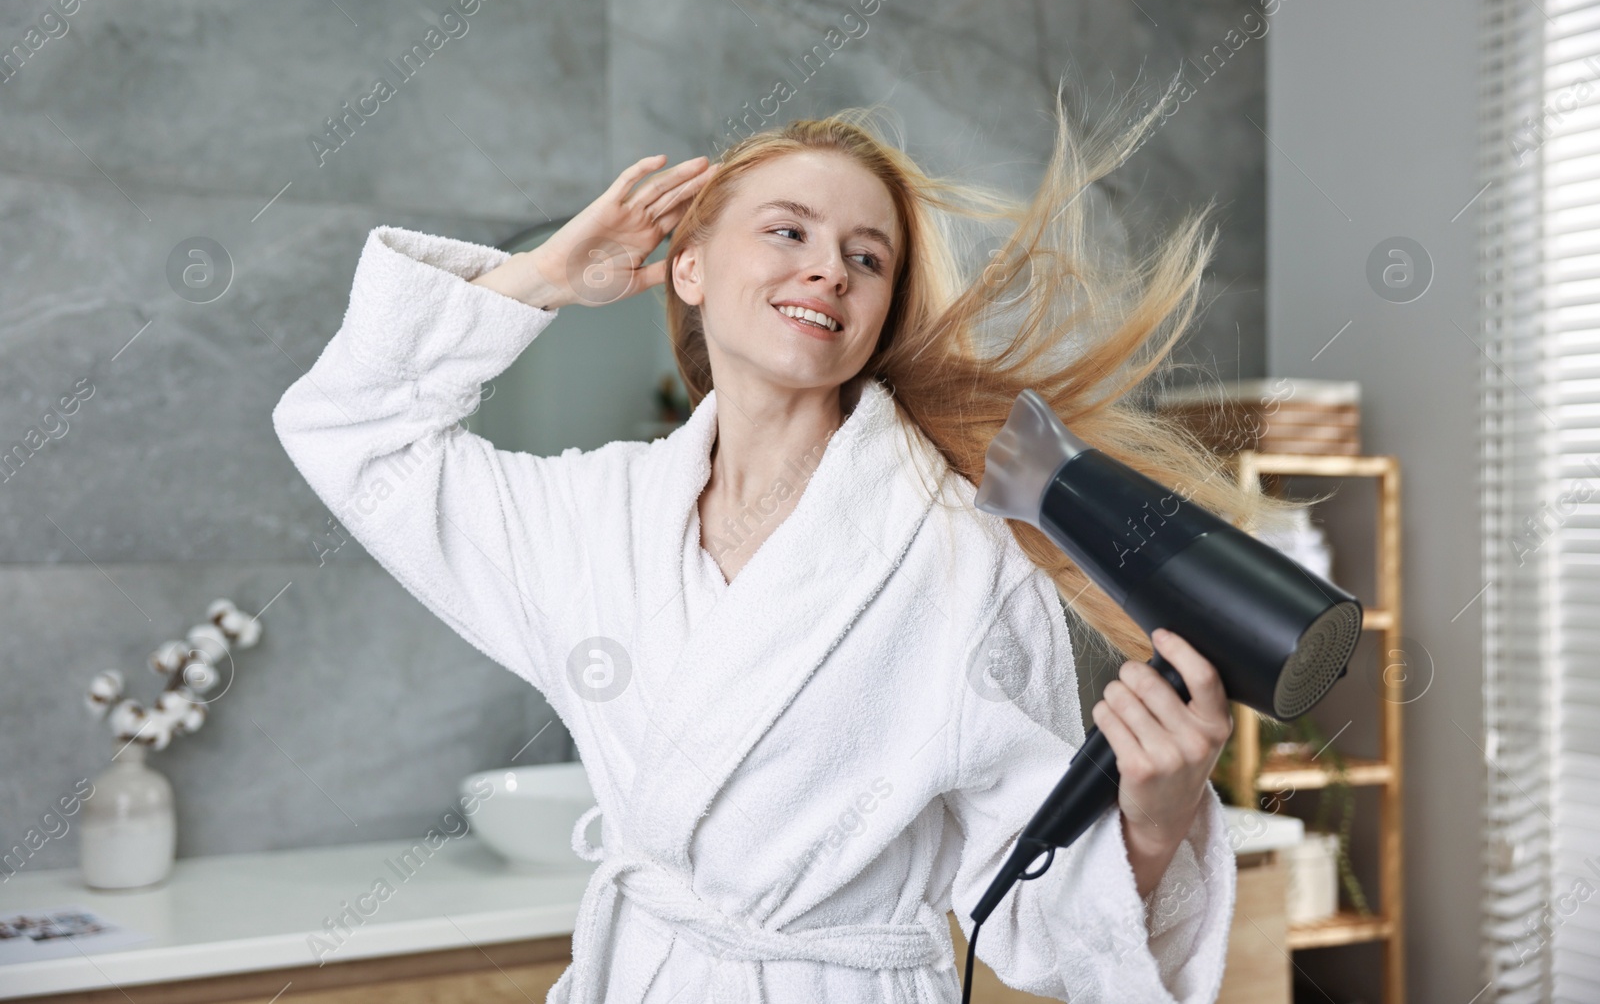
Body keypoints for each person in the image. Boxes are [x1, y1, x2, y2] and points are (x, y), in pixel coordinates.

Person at [272, 80, 1304, 1003]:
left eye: (867, 256)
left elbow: (1029, 913)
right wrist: (543, 277)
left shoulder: (957, 560)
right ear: (687, 267)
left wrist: (1155, 819)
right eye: (787, 232)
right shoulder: (593, 518)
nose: (829, 271)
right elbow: (354, 433)